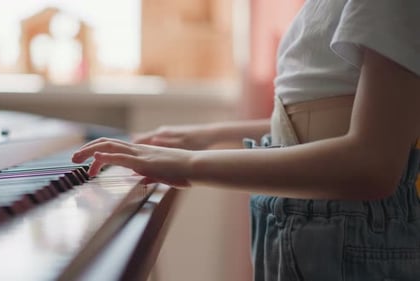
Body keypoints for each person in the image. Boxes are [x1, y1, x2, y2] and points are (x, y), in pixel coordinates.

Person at [72, 0, 420, 280]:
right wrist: (204, 137)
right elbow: (316, 124)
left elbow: (371, 164)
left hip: (350, 238)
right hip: (307, 229)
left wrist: (187, 166)